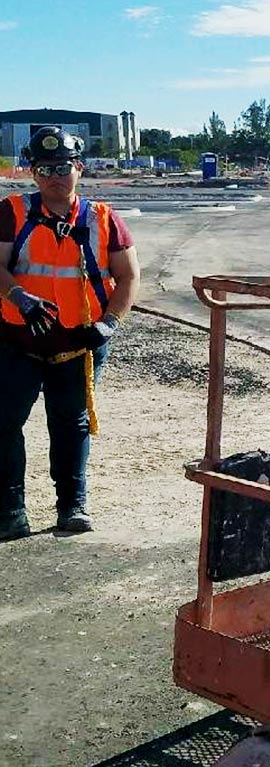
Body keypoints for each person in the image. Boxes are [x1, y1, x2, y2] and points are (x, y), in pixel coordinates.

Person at [0, 127, 140, 539]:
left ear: (79, 168)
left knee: (71, 423)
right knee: (5, 423)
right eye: (45, 169)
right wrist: (19, 296)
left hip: (78, 345)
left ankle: (72, 506)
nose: (54, 177)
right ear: (32, 172)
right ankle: (10, 511)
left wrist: (109, 324)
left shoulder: (103, 219)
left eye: (63, 167)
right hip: (17, 340)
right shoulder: (11, 212)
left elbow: (129, 276)